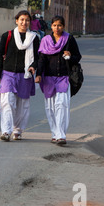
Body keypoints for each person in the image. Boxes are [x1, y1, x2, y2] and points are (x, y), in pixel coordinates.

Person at [35, 15, 82, 146]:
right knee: (50, 107)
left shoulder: (69, 39)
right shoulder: (45, 40)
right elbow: (41, 60)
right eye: (55, 25)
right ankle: (54, 133)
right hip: (48, 78)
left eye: (60, 25)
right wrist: (38, 75)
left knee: (61, 105)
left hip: (64, 77)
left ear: (63, 26)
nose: (57, 28)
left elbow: (78, 56)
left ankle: (61, 135)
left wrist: (70, 56)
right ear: (51, 26)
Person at [0, 10, 40, 141]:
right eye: (22, 20)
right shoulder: (7, 36)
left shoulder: (34, 38)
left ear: (30, 22)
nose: (24, 22)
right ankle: (6, 131)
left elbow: (38, 57)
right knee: (7, 102)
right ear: (16, 21)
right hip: (8, 74)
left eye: (27, 20)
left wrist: (34, 66)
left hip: (25, 75)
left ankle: (18, 130)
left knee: (22, 105)